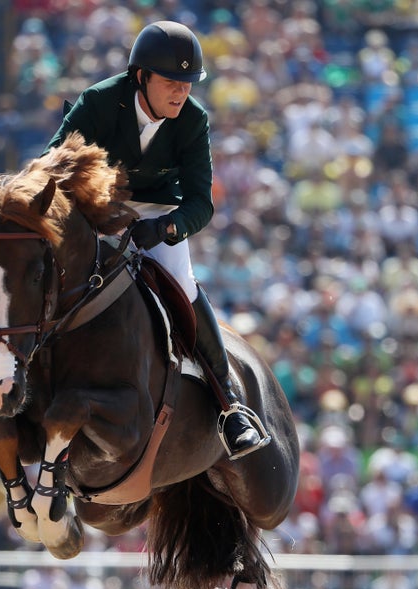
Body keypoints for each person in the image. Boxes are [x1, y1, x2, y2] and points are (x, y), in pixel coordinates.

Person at [42, 20, 268, 459]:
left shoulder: (194, 120)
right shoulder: (99, 101)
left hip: (158, 213)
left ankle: (228, 404)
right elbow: (51, 164)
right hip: (97, 207)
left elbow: (201, 204)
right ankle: (17, 387)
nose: (181, 93)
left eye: (187, 83)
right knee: (44, 274)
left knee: (183, 284)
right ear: (141, 76)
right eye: (170, 82)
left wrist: (165, 229)